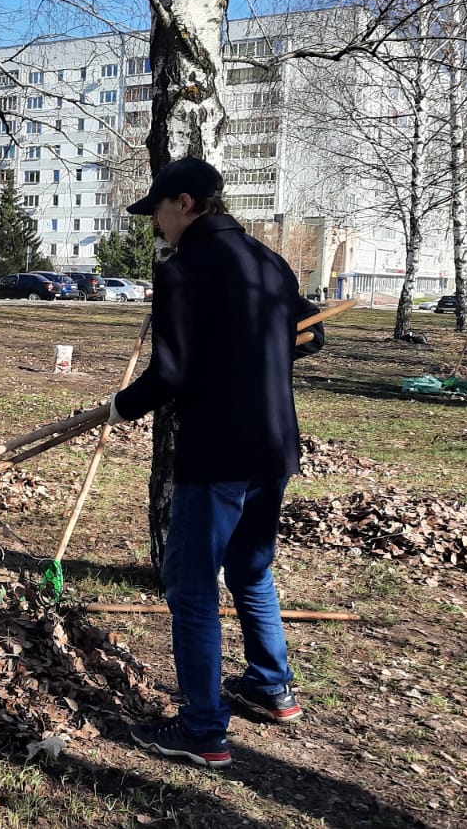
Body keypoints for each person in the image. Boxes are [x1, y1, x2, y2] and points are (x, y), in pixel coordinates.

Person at [106, 157, 325, 770]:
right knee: (251, 568)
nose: (155, 224)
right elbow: (313, 334)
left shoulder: (183, 270)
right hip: (275, 445)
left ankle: (203, 729)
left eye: (157, 211)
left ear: (186, 203)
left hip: (218, 452)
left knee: (194, 586)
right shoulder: (268, 261)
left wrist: (123, 405)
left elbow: (170, 375)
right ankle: (271, 687)